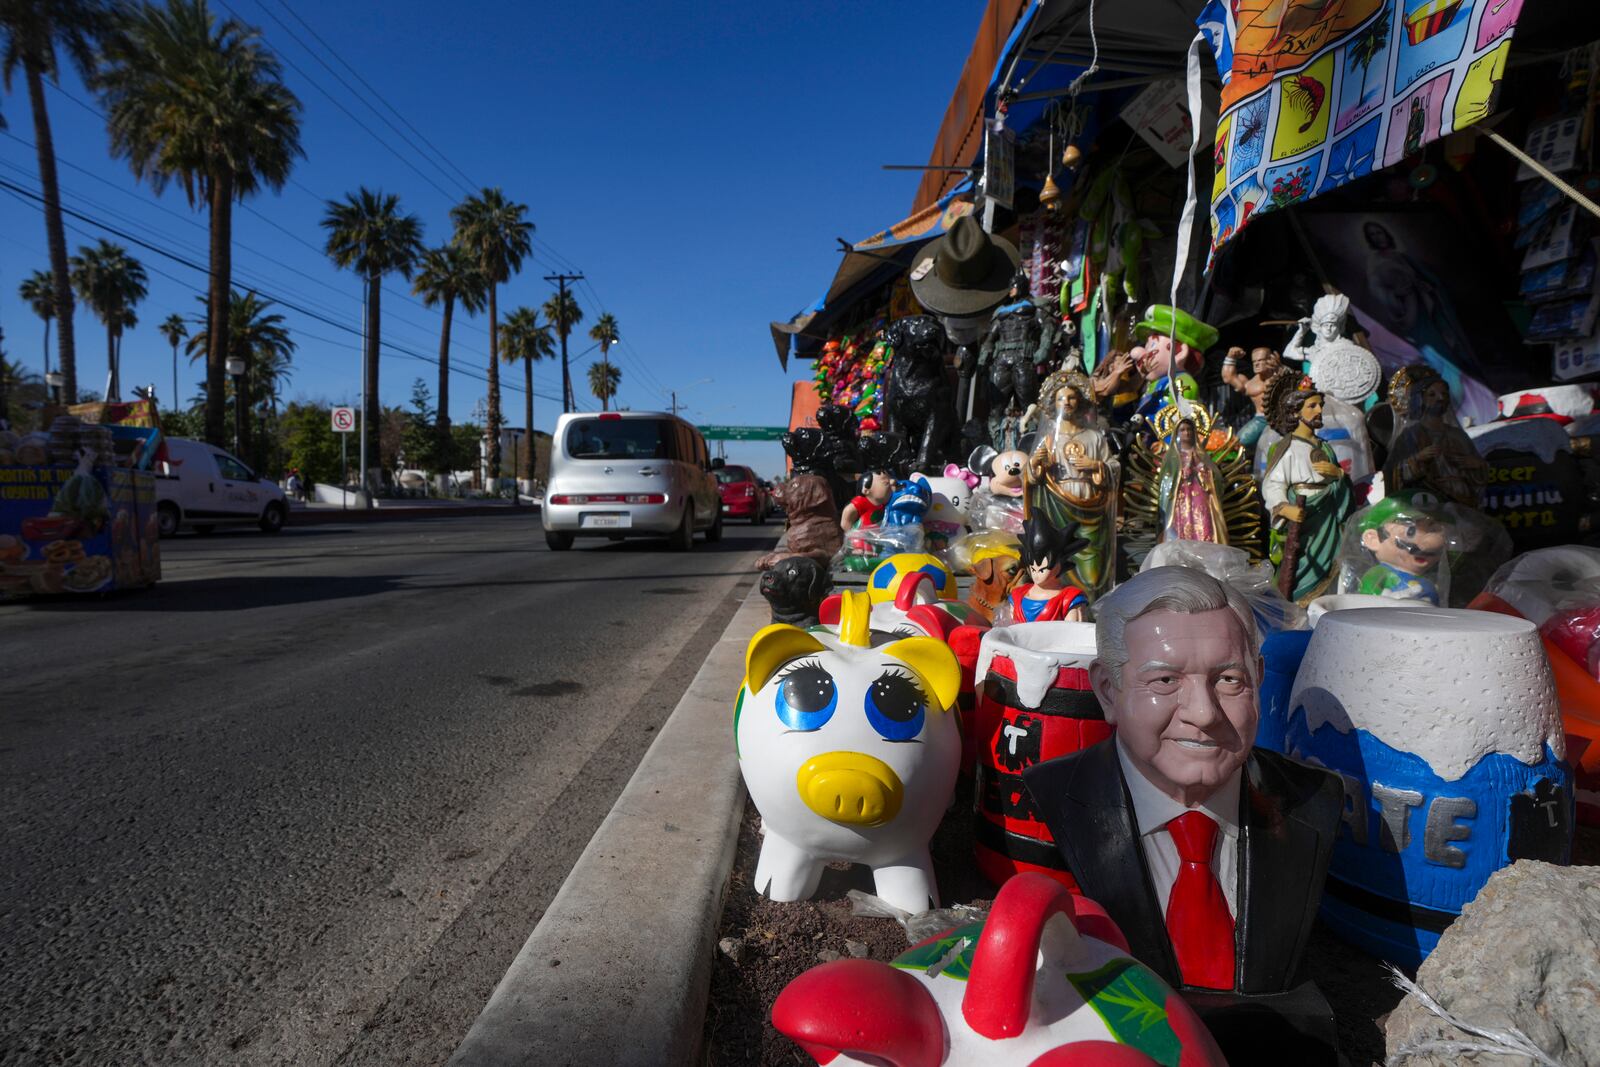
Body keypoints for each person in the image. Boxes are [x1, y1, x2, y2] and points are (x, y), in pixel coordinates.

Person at [1022, 568, 1344, 1058]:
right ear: (1109, 690)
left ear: (1258, 678)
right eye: (1165, 680)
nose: (1205, 712)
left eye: (1229, 680)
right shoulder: (1052, 799)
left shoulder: (1313, 800)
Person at [1261, 373, 1352, 604]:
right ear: (1295, 413)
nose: (1319, 410)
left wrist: (1339, 475)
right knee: (1299, 567)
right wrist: (1284, 508)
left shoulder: (1325, 447)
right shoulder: (1287, 446)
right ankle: (1297, 605)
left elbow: (1338, 482)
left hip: (1328, 519)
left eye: (1320, 405)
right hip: (1304, 518)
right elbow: (1273, 484)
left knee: (1333, 566)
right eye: (1312, 406)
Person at [1027, 370, 1116, 596]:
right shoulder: (1048, 439)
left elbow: (1114, 467)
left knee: (1092, 574)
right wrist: (1035, 464)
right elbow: (1033, 479)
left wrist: (1096, 465)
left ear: (1080, 402)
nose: (1066, 403)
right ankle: (1062, 604)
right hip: (1057, 507)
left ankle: (1092, 608)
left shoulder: (1094, 437)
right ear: (1053, 404)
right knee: (1058, 565)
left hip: (1090, 508)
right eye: (1060, 399)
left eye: (1071, 398)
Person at [996, 513, 1090, 623]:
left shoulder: (1070, 599)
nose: (1036, 575)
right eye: (1033, 568)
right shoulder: (1017, 597)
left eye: (1041, 570)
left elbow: (1074, 634)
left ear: (1058, 566)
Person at [1158, 419, 1227, 545]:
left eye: (1189, 429)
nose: (1186, 433)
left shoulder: (1201, 454)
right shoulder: (1172, 457)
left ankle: (1206, 549)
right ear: (1177, 433)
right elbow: (1166, 481)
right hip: (1180, 498)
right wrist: (1180, 473)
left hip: (1200, 495)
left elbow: (1213, 476)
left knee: (1203, 521)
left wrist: (1203, 471)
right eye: (1182, 430)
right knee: (1182, 524)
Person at [1220, 346, 1282, 448]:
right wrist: (1230, 358)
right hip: (1261, 419)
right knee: (1238, 444)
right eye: (1254, 362)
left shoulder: (1281, 376)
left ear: (1269, 359)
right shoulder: (1250, 384)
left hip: (1281, 419)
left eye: (1260, 360)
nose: (1256, 364)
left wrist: (1280, 368)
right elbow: (1228, 377)